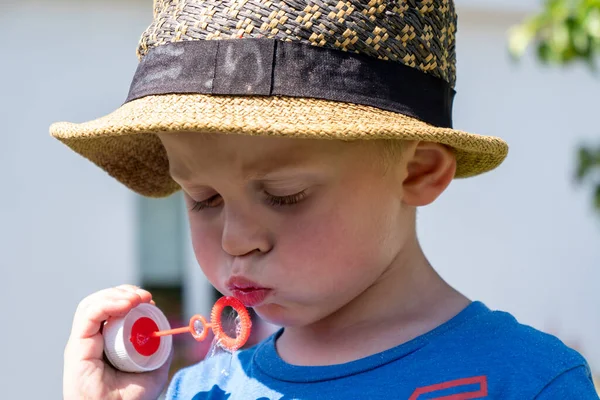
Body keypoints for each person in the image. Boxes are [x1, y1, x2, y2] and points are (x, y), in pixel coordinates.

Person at [52, 0, 599, 398]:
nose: (236, 238)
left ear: (418, 171)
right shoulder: (197, 391)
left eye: (284, 195)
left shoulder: (525, 381)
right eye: (203, 198)